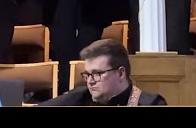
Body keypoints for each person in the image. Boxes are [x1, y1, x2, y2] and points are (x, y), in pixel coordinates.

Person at [38, 38, 167, 106]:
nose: (90, 81)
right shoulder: (79, 97)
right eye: (87, 75)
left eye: (97, 74)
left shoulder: (151, 103)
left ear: (121, 73)